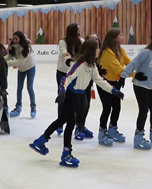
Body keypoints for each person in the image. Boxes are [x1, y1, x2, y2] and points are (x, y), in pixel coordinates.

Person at [29, 39, 124, 167]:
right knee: (70, 122)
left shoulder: (92, 66)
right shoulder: (79, 65)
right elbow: (66, 78)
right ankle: (66, 154)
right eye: (97, 48)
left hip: (78, 95)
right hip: (68, 94)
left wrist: (114, 91)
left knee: (62, 119)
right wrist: (62, 92)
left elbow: (99, 80)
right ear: (91, 50)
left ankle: (40, 141)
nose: (99, 50)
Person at [96, 28, 134, 146]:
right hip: (105, 83)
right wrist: (136, 75)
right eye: (120, 35)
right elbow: (119, 68)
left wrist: (140, 68)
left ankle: (112, 129)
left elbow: (129, 63)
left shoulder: (120, 50)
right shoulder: (107, 52)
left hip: (115, 82)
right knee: (107, 107)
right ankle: (102, 132)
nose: (122, 37)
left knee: (117, 107)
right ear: (114, 38)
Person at [74, 33, 103, 141]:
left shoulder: (96, 56)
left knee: (86, 105)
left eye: (97, 39)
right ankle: (77, 127)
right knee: (81, 106)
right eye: (93, 39)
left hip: (89, 85)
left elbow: (96, 73)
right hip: (79, 86)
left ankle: (81, 125)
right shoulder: (82, 60)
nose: (96, 41)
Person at [56, 23, 84, 136]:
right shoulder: (63, 42)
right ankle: (60, 122)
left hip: (76, 73)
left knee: (76, 98)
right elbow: (64, 55)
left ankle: (77, 123)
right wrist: (71, 61)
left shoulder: (81, 41)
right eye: (78, 29)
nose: (80, 31)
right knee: (62, 95)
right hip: (63, 72)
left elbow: (83, 55)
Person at [4, 31, 36, 118]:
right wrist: (2, 60)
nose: (14, 40)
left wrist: (6, 64)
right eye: (13, 38)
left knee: (29, 88)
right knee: (19, 88)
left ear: (20, 39)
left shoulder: (25, 47)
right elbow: (9, 56)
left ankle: (33, 107)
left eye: (16, 39)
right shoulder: (13, 46)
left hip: (30, 67)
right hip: (21, 69)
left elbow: (20, 61)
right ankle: (18, 108)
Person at [0, 46, 9, 134]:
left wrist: (4, 89)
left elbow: (3, 76)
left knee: (0, 97)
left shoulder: (2, 62)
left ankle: (4, 112)